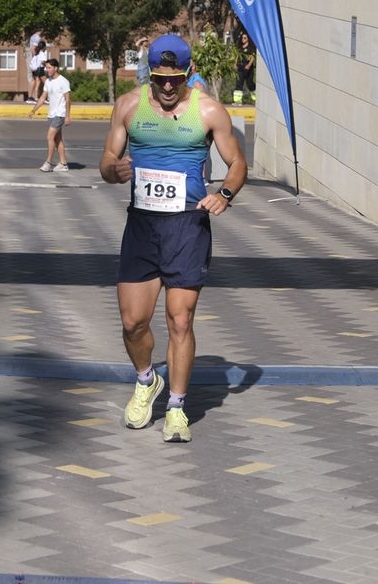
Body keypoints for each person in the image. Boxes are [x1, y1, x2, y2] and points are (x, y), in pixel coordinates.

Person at [100, 33, 247, 444]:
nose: (167, 87)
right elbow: (107, 160)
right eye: (160, 78)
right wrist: (113, 171)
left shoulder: (209, 111)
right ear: (150, 71)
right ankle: (147, 381)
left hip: (187, 226)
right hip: (143, 226)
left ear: (189, 73)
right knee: (133, 323)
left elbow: (237, 162)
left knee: (180, 319)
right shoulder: (129, 106)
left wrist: (225, 194)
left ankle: (177, 407)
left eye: (176, 78)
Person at [28, 58, 71, 172]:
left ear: (56, 68)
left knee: (50, 137)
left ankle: (48, 162)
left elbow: (68, 100)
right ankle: (63, 164)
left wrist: (67, 116)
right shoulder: (48, 81)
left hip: (60, 114)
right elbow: (43, 97)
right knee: (58, 139)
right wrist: (34, 110)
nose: (47, 70)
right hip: (51, 114)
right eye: (46, 68)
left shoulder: (63, 81)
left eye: (49, 68)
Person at [233, 31, 257, 105]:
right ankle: (237, 101)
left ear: (248, 39)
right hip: (240, 67)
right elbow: (237, 55)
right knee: (239, 83)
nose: (243, 39)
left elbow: (253, 57)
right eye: (242, 38)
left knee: (249, 83)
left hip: (248, 68)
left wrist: (249, 65)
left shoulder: (251, 48)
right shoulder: (240, 47)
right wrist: (235, 64)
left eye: (245, 38)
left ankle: (255, 98)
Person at [26, 33, 46, 104]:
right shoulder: (42, 53)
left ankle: (35, 97)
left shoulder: (36, 53)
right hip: (39, 69)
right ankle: (45, 98)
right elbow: (43, 62)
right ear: (44, 47)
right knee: (46, 83)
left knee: (37, 82)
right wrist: (48, 64)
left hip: (35, 69)